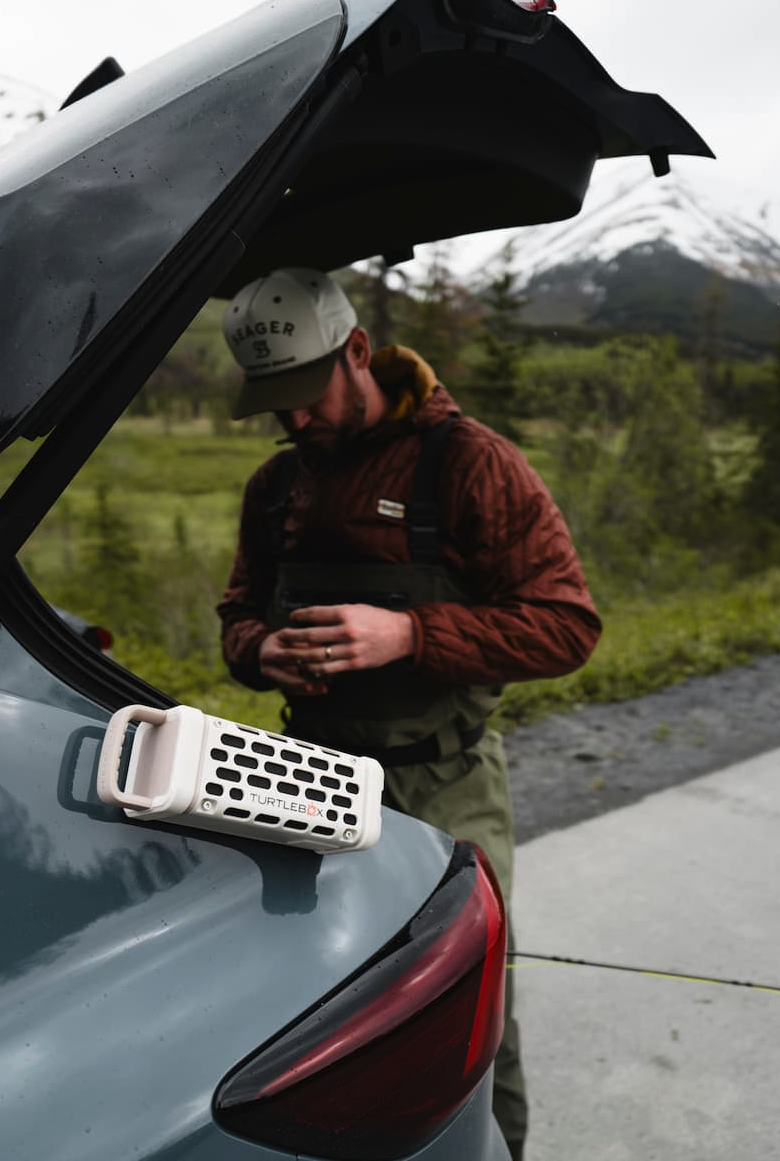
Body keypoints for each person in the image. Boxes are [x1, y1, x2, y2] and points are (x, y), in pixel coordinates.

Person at [216, 266, 602, 1160]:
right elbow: (238, 614)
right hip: (307, 777)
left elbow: (567, 626)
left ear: (357, 352)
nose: (295, 418)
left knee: (462, 1001)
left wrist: (409, 634)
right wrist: (256, 652)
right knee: (316, 1003)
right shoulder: (275, 487)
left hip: (444, 780)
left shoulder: (469, 461)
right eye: (275, 401)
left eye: (307, 392)